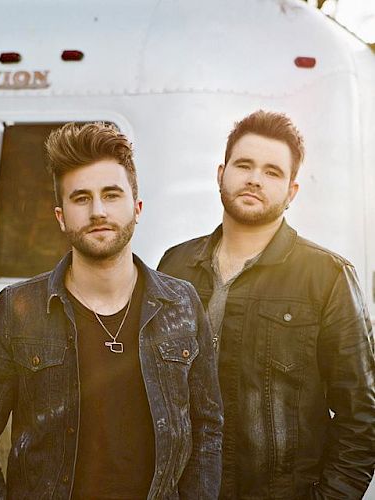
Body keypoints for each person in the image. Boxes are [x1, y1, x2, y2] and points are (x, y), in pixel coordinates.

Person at [0, 122, 223, 499]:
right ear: (61, 216)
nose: (98, 211)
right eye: (81, 198)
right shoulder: (18, 308)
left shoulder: (181, 304)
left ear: (137, 207)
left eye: (112, 195)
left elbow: (207, 429)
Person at [158, 110, 375, 499]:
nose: (255, 178)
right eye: (244, 165)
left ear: (291, 192)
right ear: (221, 173)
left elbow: (361, 418)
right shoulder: (175, 267)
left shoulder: (327, 276)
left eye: (272, 172)